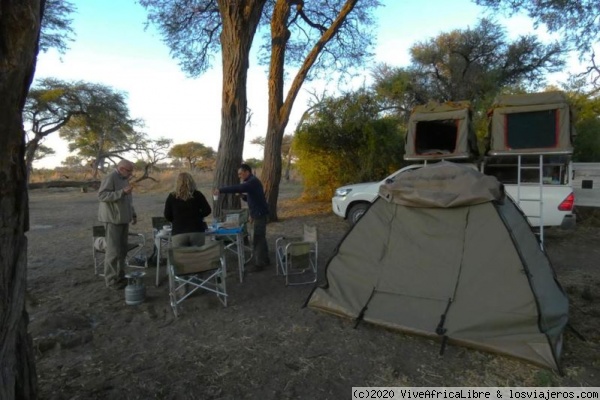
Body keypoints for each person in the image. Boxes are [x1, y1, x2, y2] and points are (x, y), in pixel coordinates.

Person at [214, 163, 270, 271]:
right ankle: (265, 260)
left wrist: (221, 190)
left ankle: (259, 264)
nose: (239, 176)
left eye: (240, 174)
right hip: (257, 213)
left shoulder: (252, 182)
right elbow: (252, 198)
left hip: (260, 213)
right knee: (260, 237)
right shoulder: (251, 182)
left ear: (246, 172)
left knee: (258, 238)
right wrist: (242, 196)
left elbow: (238, 187)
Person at [97, 159, 137, 290]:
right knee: (113, 251)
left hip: (123, 219)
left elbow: (127, 199)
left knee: (122, 250)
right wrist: (121, 192)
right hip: (112, 220)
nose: (131, 174)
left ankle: (120, 276)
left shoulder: (124, 178)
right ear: (121, 169)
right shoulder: (110, 177)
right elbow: (102, 196)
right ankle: (111, 280)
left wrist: (133, 213)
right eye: (129, 171)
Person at [164, 172, 212, 247]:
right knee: (197, 256)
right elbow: (207, 210)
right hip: (197, 230)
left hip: (178, 231)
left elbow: (167, 215)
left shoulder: (172, 196)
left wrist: (176, 219)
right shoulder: (197, 194)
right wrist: (198, 216)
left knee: (182, 257)